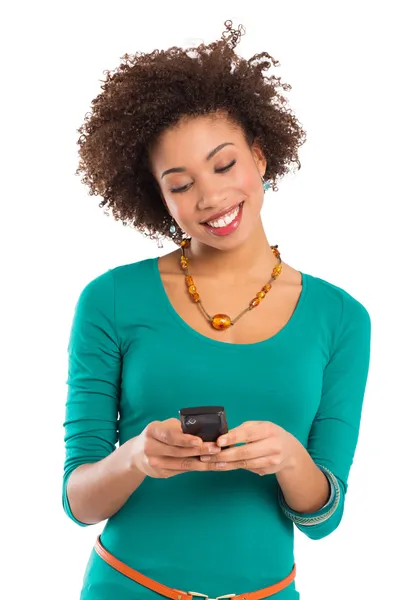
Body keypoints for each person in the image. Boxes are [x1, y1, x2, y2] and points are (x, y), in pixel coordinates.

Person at [62, 20, 372, 600]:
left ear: (259, 155)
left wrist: (289, 458)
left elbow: (324, 517)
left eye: (224, 166)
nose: (209, 198)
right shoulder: (109, 300)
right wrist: (135, 459)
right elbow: (78, 501)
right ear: (158, 196)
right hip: (126, 587)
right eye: (180, 185)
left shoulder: (342, 319)